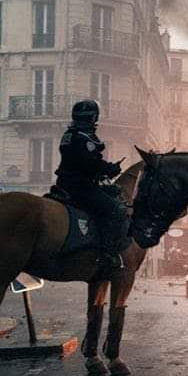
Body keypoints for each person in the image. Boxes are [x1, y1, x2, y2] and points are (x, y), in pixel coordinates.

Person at [54, 99, 127, 273]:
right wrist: (111, 169)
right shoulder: (85, 137)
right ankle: (107, 254)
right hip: (80, 186)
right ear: (93, 117)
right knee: (114, 209)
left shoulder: (69, 135)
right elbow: (89, 164)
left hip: (65, 183)